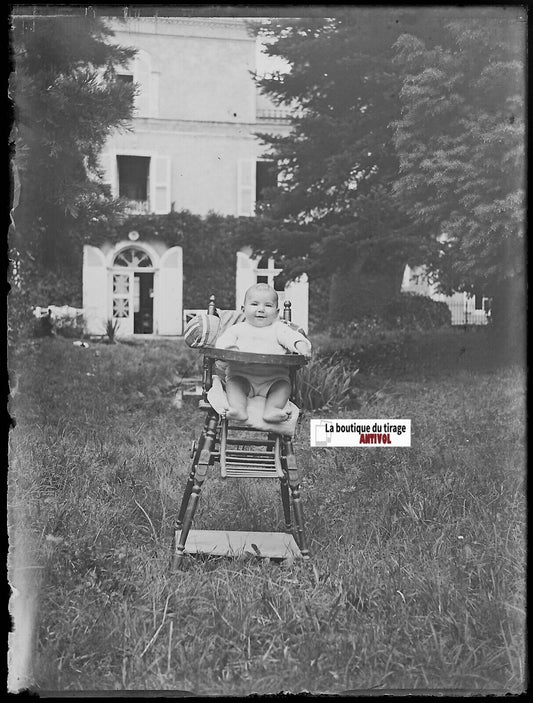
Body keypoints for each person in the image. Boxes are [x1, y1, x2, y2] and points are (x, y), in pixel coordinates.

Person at [214, 283, 312, 423]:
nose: (261, 310)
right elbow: (223, 342)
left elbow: (292, 337)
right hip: (242, 376)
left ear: (277, 313)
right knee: (234, 384)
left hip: (273, 380)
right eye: (254, 304)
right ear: (243, 309)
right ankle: (238, 409)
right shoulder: (237, 329)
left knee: (283, 386)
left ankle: (272, 410)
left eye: (268, 305)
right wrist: (230, 350)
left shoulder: (279, 329)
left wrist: (301, 346)